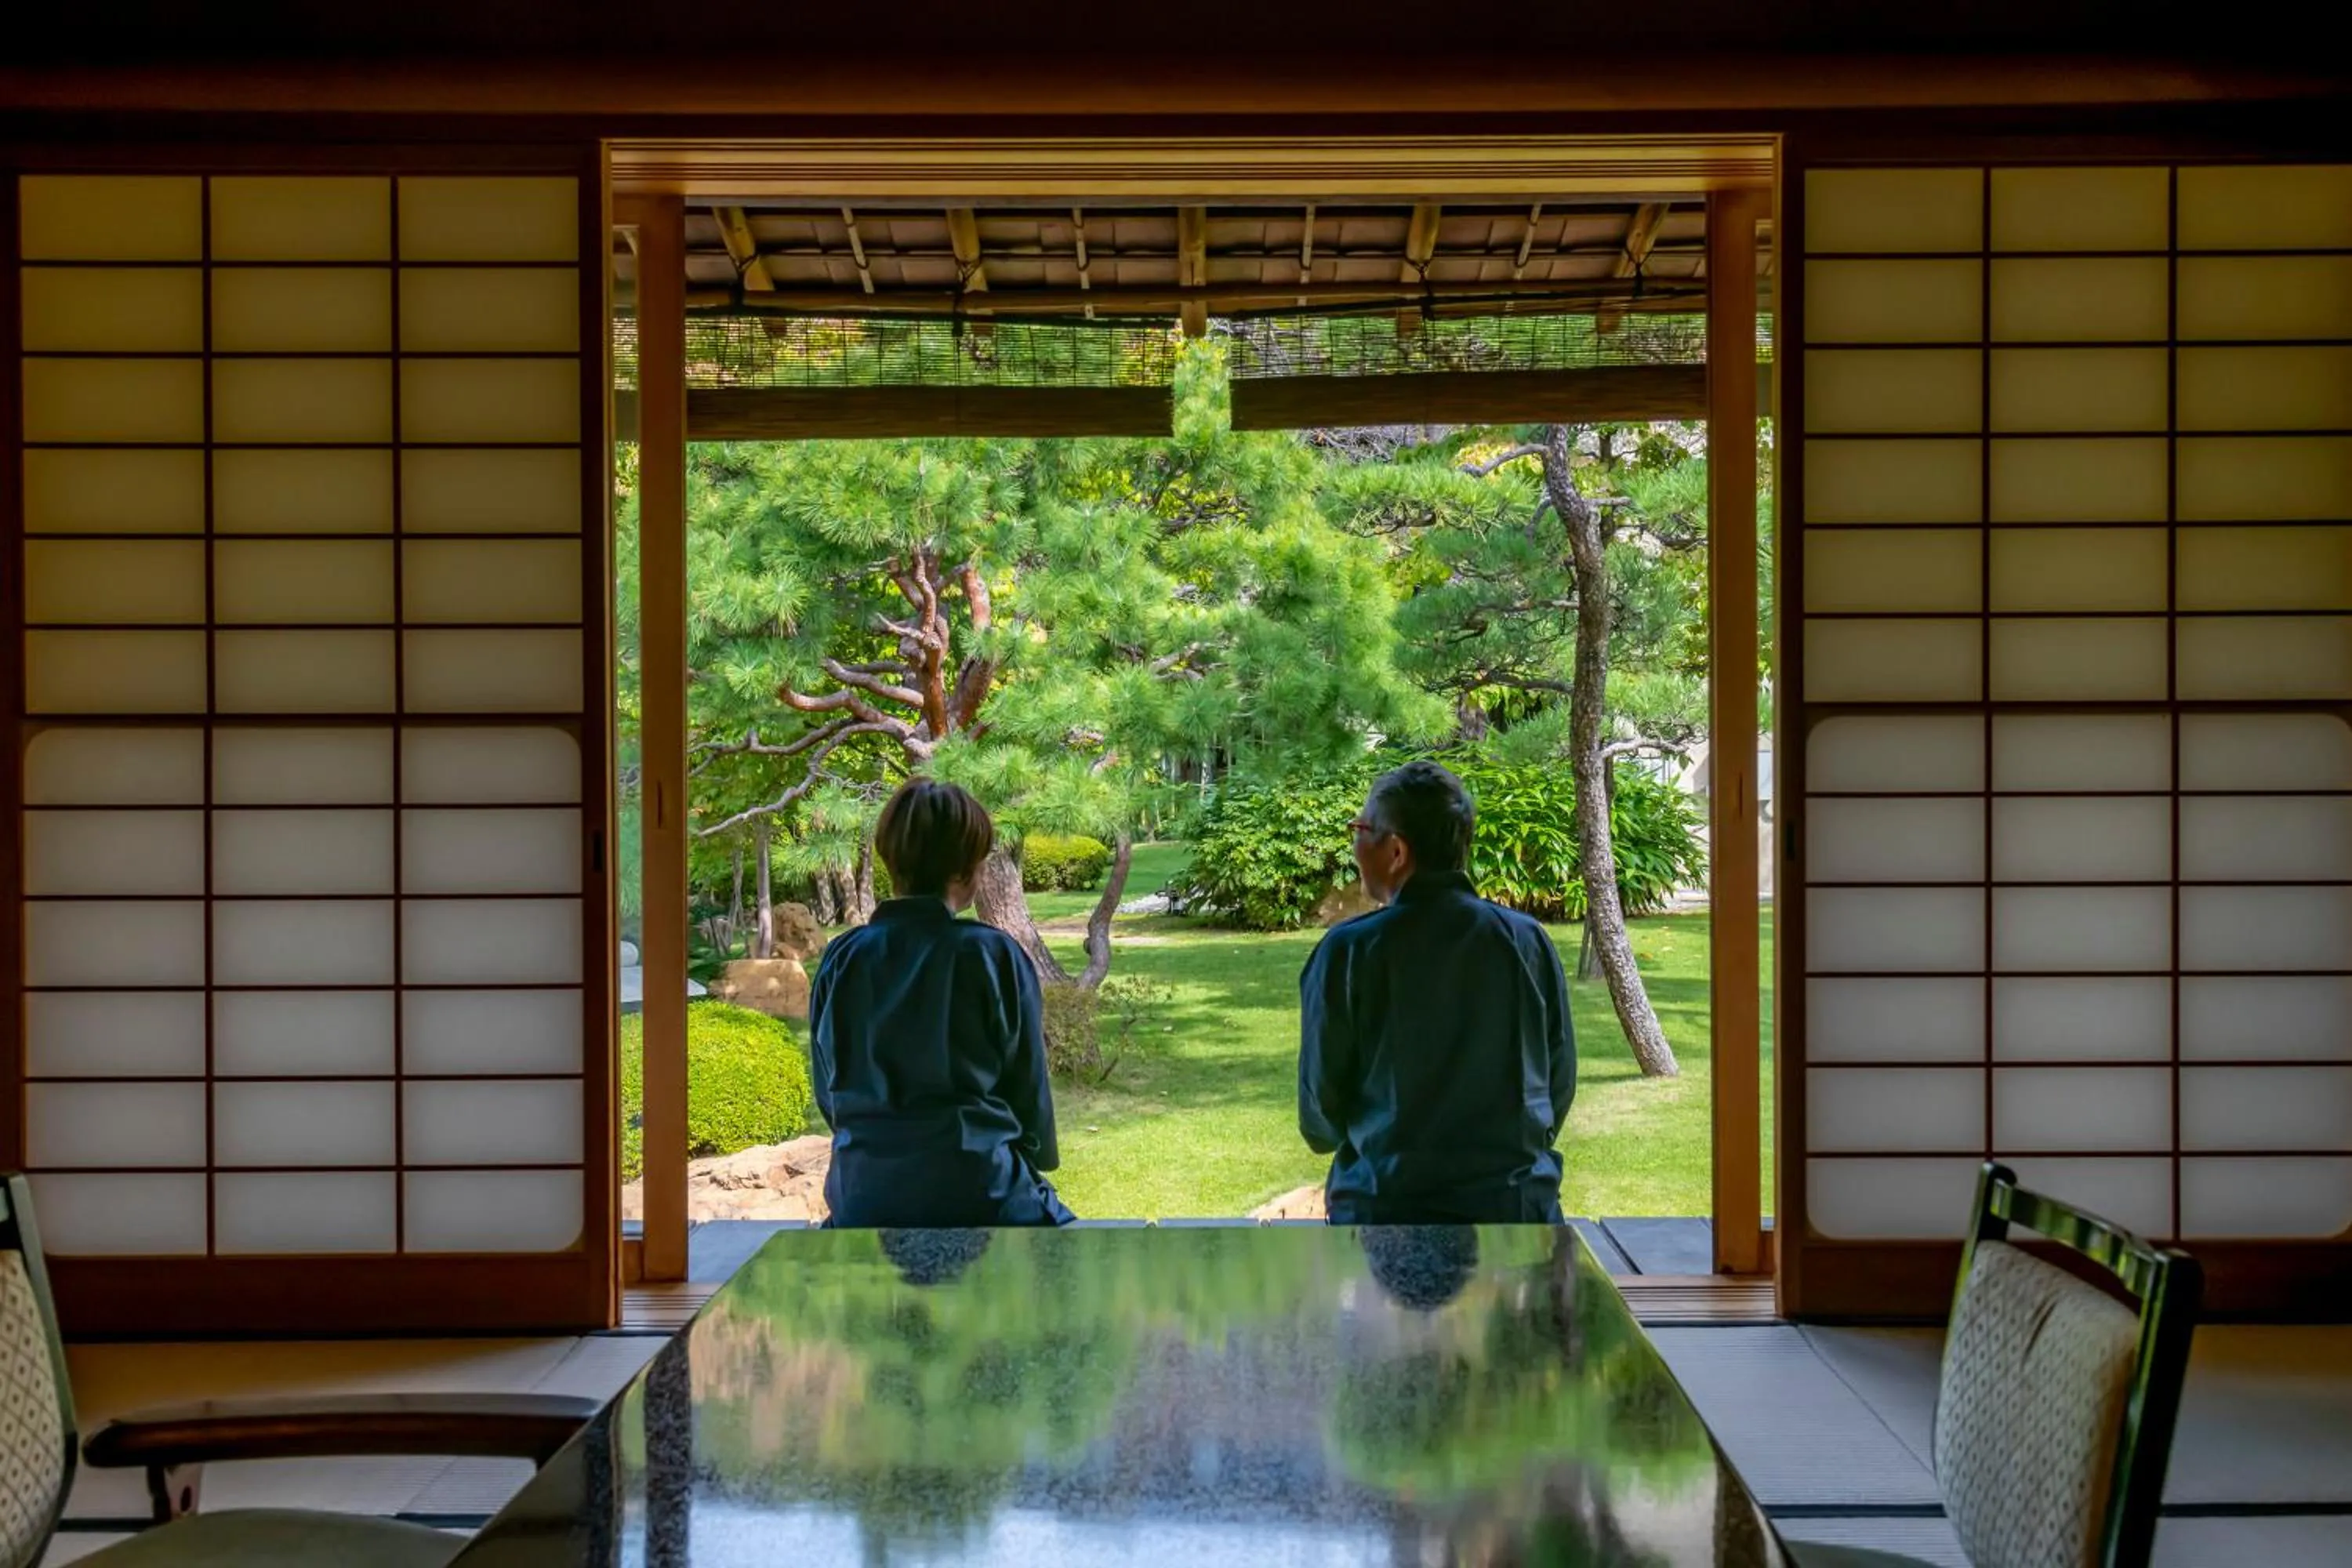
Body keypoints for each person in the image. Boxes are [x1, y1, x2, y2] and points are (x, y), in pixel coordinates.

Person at [1297, 760, 1576, 1225]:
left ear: (1397, 851)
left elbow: (1320, 1120)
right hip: (1516, 1216)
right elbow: (1557, 1087)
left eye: (1360, 829)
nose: (1354, 843)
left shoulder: (1350, 952)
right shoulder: (1526, 942)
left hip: (1384, 1217)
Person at [808, 779, 1074, 1228]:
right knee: (1078, 1266)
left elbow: (828, 1088)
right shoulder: (992, 955)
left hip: (864, 1194)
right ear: (962, 870)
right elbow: (1027, 1090)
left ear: (892, 859)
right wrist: (1033, 1158)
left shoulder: (843, 957)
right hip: (980, 1188)